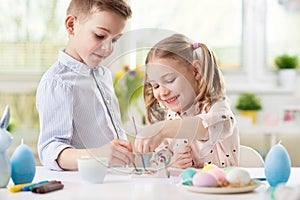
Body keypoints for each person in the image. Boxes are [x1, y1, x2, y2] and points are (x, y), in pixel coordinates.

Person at [36, 0, 135, 171]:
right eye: (100, 36)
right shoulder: (58, 83)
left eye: (115, 40)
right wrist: (98, 155)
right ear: (71, 25)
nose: (108, 48)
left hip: (115, 180)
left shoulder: (103, 75)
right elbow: (50, 150)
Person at [135, 34, 240, 169]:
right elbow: (158, 161)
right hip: (184, 189)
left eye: (169, 80)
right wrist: (171, 164)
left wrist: (163, 129)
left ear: (195, 71)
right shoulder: (169, 116)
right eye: (155, 86)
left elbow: (212, 127)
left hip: (221, 186)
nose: (162, 92)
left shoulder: (216, 106)